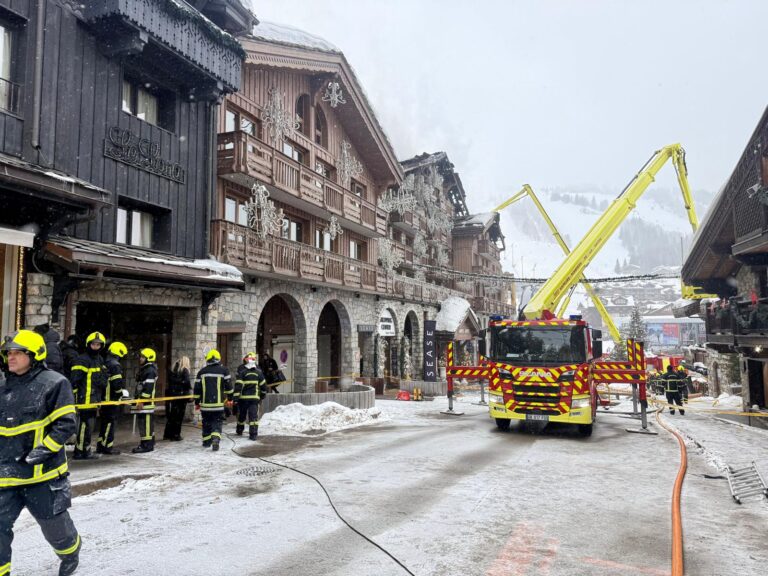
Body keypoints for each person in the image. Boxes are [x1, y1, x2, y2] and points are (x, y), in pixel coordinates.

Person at [0, 330, 81, 576]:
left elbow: (66, 424)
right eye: (8, 353)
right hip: (5, 476)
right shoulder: (1, 386)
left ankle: (70, 553)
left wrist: (41, 452)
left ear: (34, 355)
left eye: (17, 353)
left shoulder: (55, 383)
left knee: (56, 529)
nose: (10, 358)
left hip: (42, 476)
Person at [70, 331, 108, 460]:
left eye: (98, 345)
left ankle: (85, 449)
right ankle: (80, 451)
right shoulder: (82, 359)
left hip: (94, 399)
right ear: (88, 344)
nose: (96, 347)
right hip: (84, 398)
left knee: (89, 426)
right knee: (84, 426)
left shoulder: (99, 359)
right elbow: (74, 380)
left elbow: (101, 379)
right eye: (93, 344)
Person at [193, 349, 233, 451]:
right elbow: (229, 386)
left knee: (206, 423)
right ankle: (215, 438)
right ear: (218, 359)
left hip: (205, 405)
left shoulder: (202, 372)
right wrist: (230, 399)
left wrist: (197, 402)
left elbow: (197, 389)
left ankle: (206, 442)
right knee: (217, 422)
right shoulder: (224, 370)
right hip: (218, 405)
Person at [97, 342, 130, 455]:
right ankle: (107, 446)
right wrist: (121, 393)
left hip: (104, 398)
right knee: (110, 423)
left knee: (104, 423)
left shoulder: (105, 362)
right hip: (111, 399)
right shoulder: (115, 365)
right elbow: (117, 384)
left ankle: (101, 444)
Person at [234, 352, 268, 440]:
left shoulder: (242, 372)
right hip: (254, 399)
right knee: (253, 417)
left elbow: (238, 386)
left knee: (242, 415)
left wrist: (236, 399)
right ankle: (253, 435)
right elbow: (263, 386)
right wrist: (262, 395)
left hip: (243, 399)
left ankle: (239, 430)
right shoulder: (259, 373)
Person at [132, 348, 158, 453]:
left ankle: (147, 445)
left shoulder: (150, 371)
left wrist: (142, 401)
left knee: (146, 424)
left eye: (143, 357)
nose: (141, 359)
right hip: (144, 402)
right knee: (145, 423)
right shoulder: (145, 369)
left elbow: (148, 388)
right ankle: (148, 442)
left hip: (146, 403)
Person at [163, 356, 191, 442]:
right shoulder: (185, 370)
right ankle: (176, 435)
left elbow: (171, 381)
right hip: (181, 396)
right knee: (179, 417)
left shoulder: (174, 370)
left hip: (173, 396)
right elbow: (187, 383)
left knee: (172, 416)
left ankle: (167, 434)